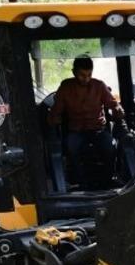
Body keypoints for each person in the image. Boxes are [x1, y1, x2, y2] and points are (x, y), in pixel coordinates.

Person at [48, 56, 123, 187]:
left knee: (110, 147)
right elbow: (57, 109)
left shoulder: (99, 86)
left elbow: (112, 103)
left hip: (98, 129)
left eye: (89, 75)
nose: (86, 79)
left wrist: (117, 109)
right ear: (74, 72)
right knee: (71, 148)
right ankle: (80, 182)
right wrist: (54, 118)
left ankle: (108, 179)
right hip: (76, 130)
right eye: (82, 75)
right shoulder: (66, 87)